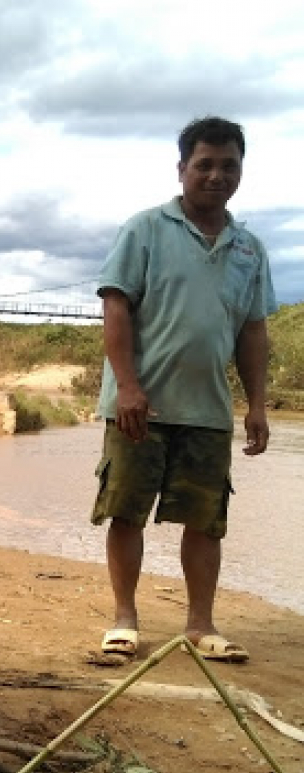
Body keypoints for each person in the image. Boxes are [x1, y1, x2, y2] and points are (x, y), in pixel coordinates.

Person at [91, 116, 276, 662]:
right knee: (125, 510)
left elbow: (253, 330)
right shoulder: (144, 229)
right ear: (182, 169)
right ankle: (125, 618)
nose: (217, 175)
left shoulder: (250, 249)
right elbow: (116, 305)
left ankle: (201, 625)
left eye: (229, 166)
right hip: (137, 407)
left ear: (241, 171)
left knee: (205, 521)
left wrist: (257, 404)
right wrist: (128, 386)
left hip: (209, 411)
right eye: (205, 165)